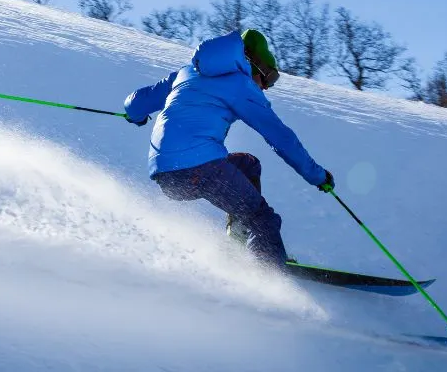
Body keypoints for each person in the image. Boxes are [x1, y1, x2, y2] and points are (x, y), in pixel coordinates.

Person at [123, 29, 334, 271]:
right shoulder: (241, 85)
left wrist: (136, 117)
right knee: (262, 218)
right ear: (255, 64)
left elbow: (136, 103)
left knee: (248, 164)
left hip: (166, 176)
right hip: (201, 167)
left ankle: (238, 245)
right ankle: (268, 273)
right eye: (269, 78)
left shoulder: (186, 72)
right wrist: (317, 176)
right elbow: (280, 137)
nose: (266, 87)